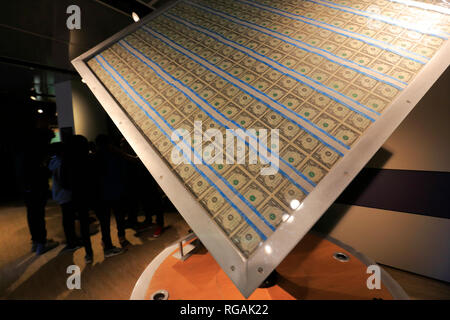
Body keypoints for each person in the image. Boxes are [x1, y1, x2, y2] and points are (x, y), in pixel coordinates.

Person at [22, 128, 59, 255]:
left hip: (27, 187)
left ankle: (36, 241)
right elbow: (40, 171)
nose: (50, 141)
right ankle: (41, 244)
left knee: (32, 214)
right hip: (37, 187)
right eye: (49, 138)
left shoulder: (25, 151)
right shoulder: (38, 152)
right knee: (38, 215)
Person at [94, 135, 131, 257]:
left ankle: (107, 244)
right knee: (119, 217)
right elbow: (122, 172)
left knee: (104, 222)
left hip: (101, 195)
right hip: (115, 191)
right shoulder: (115, 154)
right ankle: (121, 239)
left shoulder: (95, 157)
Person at [60, 135, 94, 263]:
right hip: (94, 192)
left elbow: (64, 183)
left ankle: (89, 253)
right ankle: (107, 245)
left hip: (77, 195)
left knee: (84, 224)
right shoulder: (88, 158)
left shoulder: (66, 160)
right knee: (103, 218)